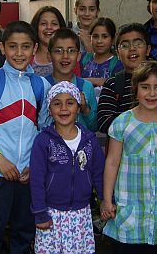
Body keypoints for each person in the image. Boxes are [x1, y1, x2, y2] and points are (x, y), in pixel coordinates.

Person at [0, 21, 52, 254]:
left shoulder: (41, 85)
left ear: (34, 49)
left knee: (24, 234)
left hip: (27, 175)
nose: (19, 53)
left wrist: (35, 166)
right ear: (2, 48)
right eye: (13, 47)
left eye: (25, 47)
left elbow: (44, 131)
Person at [101, 61, 157, 254]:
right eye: (145, 87)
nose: (152, 93)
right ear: (135, 89)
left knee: (156, 249)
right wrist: (107, 199)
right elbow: (112, 161)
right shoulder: (122, 123)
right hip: (130, 204)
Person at [30, 81, 105, 254]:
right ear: (49, 109)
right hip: (51, 214)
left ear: (78, 108)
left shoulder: (89, 140)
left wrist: (106, 201)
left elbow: (99, 174)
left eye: (70, 103)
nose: (64, 108)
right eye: (57, 103)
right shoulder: (43, 141)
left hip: (81, 215)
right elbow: (37, 180)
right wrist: (40, 213)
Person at [98, 23, 157, 135]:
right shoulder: (113, 84)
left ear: (148, 49)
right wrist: (139, 127)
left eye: (138, 44)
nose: (132, 49)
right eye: (125, 45)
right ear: (117, 52)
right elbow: (103, 122)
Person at [45, 27, 97, 132]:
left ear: (78, 56)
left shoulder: (86, 87)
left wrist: (85, 109)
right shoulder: (42, 85)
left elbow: (94, 127)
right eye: (58, 51)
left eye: (71, 51)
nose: (65, 56)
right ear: (49, 56)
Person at [80, 17, 123, 100]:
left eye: (104, 36)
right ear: (90, 38)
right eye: (95, 36)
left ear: (113, 39)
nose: (99, 41)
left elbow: (114, 83)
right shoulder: (83, 58)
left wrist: (85, 80)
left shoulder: (117, 63)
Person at [30, 6, 67, 77]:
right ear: (36, 27)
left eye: (54, 24)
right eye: (43, 24)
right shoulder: (27, 55)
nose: (49, 27)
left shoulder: (70, 55)